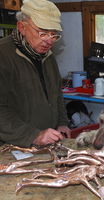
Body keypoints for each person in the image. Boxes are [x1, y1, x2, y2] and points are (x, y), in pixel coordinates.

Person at [0, 0, 71, 147]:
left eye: (53, 35)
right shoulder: (3, 55)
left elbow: (56, 95)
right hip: (11, 147)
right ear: (22, 27)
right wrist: (33, 135)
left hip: (45, 145)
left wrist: (62, 123)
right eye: (43, 33)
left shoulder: (48, 56)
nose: (49, 41)